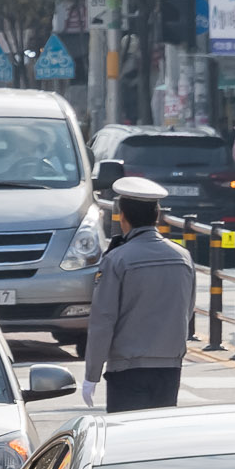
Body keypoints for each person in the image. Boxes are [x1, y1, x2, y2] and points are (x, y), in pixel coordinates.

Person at [82, 176, 195, 412]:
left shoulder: (117, 259)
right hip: (169, 365)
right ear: (158, 214)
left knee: (127, 439)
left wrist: (92, 374)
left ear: (122, 216)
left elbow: (103, 320)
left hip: (127, 368)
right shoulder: (182, 257)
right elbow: (188, 308)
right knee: (160, 438)